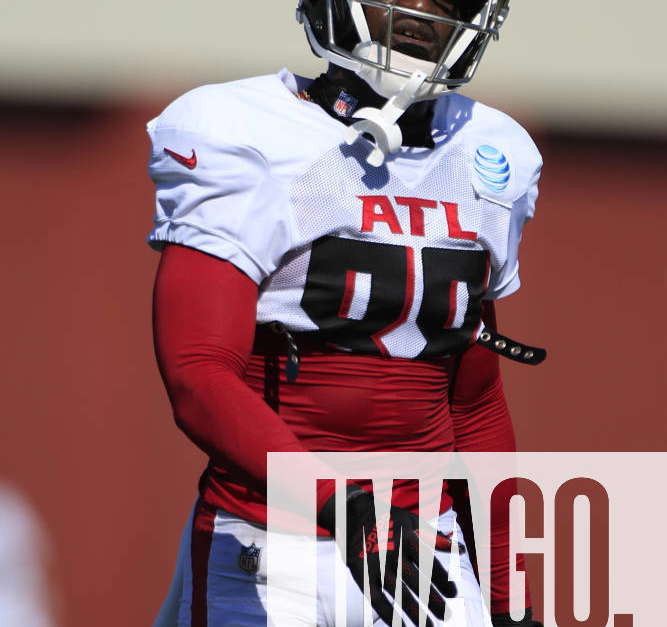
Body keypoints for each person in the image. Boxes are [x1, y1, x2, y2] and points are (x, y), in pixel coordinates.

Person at [147, 1, 544, 625]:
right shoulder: (242, 129)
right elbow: (198, 375)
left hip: (422, 553)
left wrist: (509, 592)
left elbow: (473, 401)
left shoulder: (491, 149)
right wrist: (338, 503)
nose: (419, 11)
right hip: (268, 543)